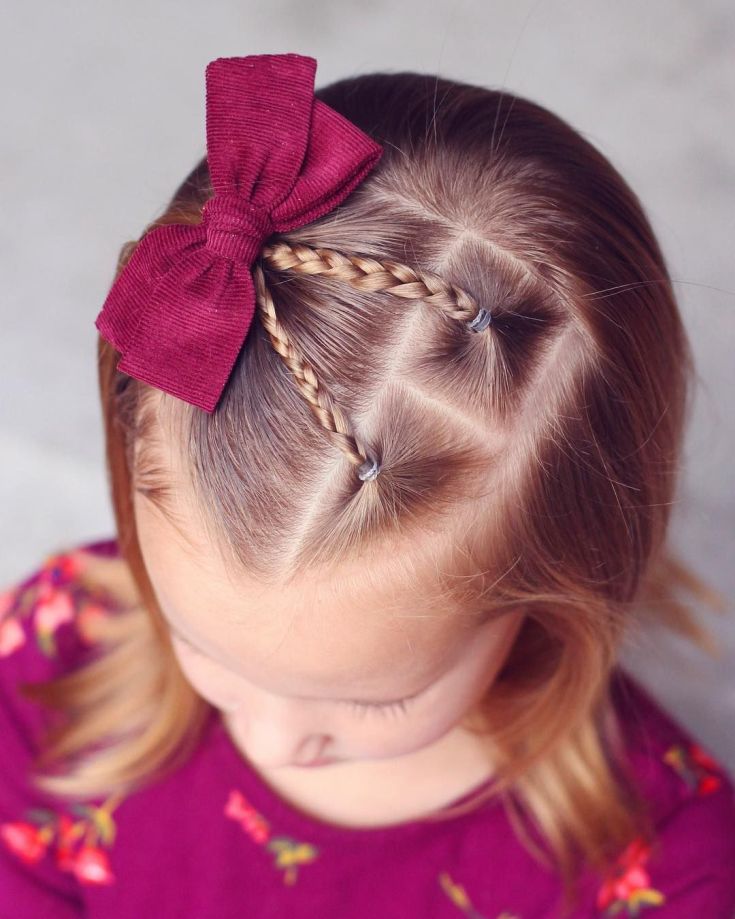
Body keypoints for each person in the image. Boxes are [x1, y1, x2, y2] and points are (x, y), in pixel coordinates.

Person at [0, 52, 733, 919]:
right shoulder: (56, 660)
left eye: (373, 698)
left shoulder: (664, 869)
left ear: (565, 582)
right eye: (201, 643)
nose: (275, 740)